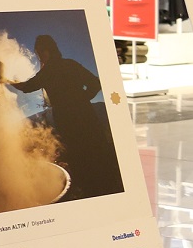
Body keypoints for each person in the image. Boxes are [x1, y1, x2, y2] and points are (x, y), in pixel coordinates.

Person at [12, 34, 122, 198]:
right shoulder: (70, 64)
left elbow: (27, 87)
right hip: (87, 114)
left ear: (46, 50)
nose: (39, 56)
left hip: (67, 120)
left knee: (80, 158)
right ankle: (111, 190)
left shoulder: (49, 70)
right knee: (99, 152)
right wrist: (83, 98)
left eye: (39, 52)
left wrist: (5, 79)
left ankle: (91, 194)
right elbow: (95, 83)